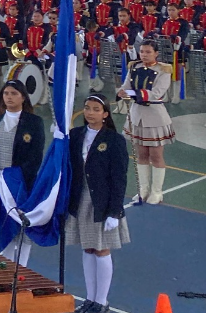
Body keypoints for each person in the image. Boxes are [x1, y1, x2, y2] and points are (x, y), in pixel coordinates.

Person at [67, 94, 129, 313]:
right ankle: (90, 298)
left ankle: (101, 301)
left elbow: (119, 178)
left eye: (95, 109)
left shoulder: (114, 140)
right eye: (87, 108)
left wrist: (115, 211)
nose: (90, 113)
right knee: (88, 247)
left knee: (102, 249)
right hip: (81, 198)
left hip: (102, 202)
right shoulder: (75, 135)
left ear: (105, 114)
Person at [0, 80, 45, 266]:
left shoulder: (34, 123)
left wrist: (14, 177)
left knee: (21, 232)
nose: (9, 97)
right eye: (6, 93)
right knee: (1, 229)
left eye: (14, 93)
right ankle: (2, 272)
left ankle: (20, 271)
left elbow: (35, 156)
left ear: (23, 97)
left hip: (21, 186)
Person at [116, 40, 174, 204]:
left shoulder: (163, 70)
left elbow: (157, 92)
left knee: (156, 155)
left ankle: (157, 191)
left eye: (148, 52)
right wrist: (122, 92)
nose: (144, 55)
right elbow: (126, 85)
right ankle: (143, 189)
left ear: (156, 53)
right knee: (141, 154)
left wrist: (132, 93)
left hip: (155, 116)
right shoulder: (134, 67)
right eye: (142, 51)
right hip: (136, 114)